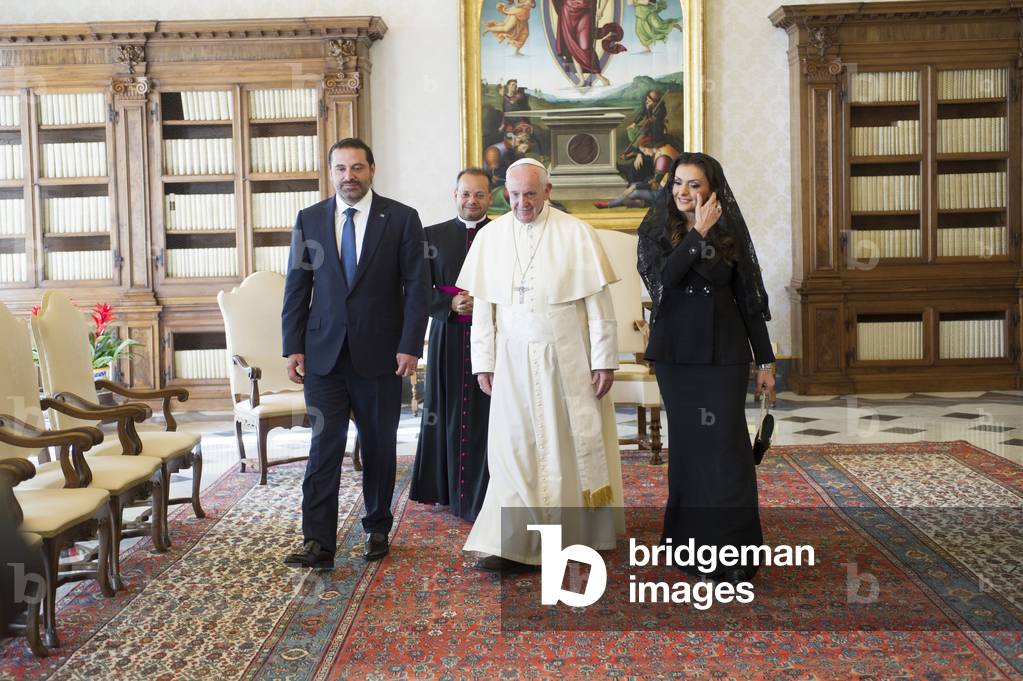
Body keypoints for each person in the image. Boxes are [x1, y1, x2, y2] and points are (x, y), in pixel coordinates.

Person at [456, 157, 625, 572]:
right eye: (513, 195)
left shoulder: (576, 233)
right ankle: (510, 541)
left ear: (548, 191)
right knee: (512, 448)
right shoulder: (490, 238)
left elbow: (599, 306)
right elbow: (483, 311)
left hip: (566, 356)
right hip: (512, 359)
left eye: (530, 194)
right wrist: (484, 362)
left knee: (565, 447)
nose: (521, 203)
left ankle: (573, 536)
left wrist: (604, 360)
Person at [281, 138, 429, 569]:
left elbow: (417, 288)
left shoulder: (401, 218)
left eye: (357, 168)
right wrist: (292, 346)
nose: (350, 176)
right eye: (341, 168)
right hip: (323, 355)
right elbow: (297, 285)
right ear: (331, 173)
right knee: (323, 445)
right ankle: (317, 542)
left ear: (372, 169)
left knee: (379, 444)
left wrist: (410, 345)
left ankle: (377, 527)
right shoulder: (309, 220)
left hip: (381, 355)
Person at [637, 152, 775, 584]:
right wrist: (697, 232)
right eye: (678, 182)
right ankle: (689, 546)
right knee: (690, 451)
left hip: (725, 357)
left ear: (712, 189)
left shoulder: (731, 231)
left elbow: (750, 301)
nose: (683, 191)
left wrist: (766, 361)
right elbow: (666, 280)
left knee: (728, 451)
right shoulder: (655, 229)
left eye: (694, 184)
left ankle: (734, 555)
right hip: (678, 359)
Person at [410, 168, 494, 522]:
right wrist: (448, 304)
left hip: (493, 336)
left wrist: (486, 301)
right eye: (465, 194)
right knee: (445, 411)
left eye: (478, 195)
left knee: (487, 414)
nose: (471, 201)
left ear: (491, 197)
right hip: (448, 336)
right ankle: (444, 488)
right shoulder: (431, 235)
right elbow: (414, 290)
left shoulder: (504, 233)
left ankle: (489, 489)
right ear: (454, 195)